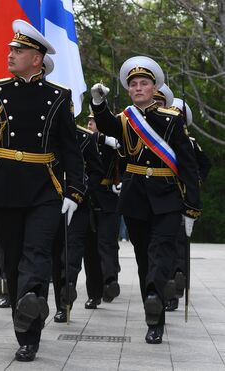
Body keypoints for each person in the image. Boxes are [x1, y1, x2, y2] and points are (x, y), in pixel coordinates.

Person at [0, 20, 86, 361]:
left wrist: (74, 190)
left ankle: (31, 333)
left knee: (37, 254)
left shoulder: (59, 96)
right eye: (11, 49)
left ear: (37, 58)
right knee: (12, 261)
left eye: (19, 50)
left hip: (44, 187)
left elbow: (70, 149)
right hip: (4, 187)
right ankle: (22, 316)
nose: (10, 54)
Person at [90, 55, 202, 344]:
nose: (139, 88)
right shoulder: (125, 119)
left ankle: (155, 295)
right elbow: (107, 127)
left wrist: (192, 204)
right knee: (143, 258)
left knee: (161, 251)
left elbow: (188, 164)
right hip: (136, 195)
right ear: (129, 90)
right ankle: (153, 317)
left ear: (155, 88)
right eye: (134, 84)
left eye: (144, 83)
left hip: (167, 195)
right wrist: (99, 104)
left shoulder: (172, 120)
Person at [52, 124, 103, 322]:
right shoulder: (47, 134)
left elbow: (97, 171)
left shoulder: (86, 138)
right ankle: (60, 303)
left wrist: (83, 188)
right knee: (56, 255)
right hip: (51, 202)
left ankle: (67, 295)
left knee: (71, 253)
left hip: (78, 204)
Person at [164, 98, 211, 311]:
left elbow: (204, 164)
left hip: (183, 198)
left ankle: (177, 283)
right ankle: (169, 283)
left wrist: (195, 182)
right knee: (167, 242)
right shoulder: (161, 140)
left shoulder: (190, 142)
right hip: (165, 196)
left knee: (180, 242)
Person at [83, 111, 123, 309]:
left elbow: (126, 160)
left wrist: (121, 181)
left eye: (95, 122)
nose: (91, 125)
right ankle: (94, 294)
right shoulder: (85, 142)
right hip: (89, 197)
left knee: (106, 243)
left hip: (109, 197)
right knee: (90, 250)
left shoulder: (115, 143)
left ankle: (110, 281)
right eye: (90, 122)